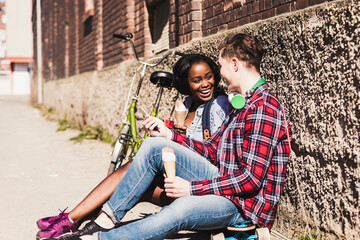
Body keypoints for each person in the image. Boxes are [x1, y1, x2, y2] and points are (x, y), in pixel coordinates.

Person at [53, 32, 291, 240]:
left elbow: (250, 180)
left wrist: (191, 188)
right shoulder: (243, 103)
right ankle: (104, 221)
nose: (221, 73)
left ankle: (97, 239)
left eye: (221, 66)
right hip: (224, 182)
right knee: (155, 144)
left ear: (235, 64)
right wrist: (170, 134)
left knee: (181, 209)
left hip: (242, 208)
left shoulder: (263, 108)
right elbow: (210, 149)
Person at [36, 54, 231, 240]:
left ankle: (74, 220)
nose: (205, 84)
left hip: (203, 188)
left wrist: (170, 136)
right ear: (186, 84)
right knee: (133, 181)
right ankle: (80, 222)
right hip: (179, 179)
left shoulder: (218, 104)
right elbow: (183, 143)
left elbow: (212, 153)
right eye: (197, 80)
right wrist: (164, 128)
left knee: (136, 167)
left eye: (208, 77)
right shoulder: (188, 104)